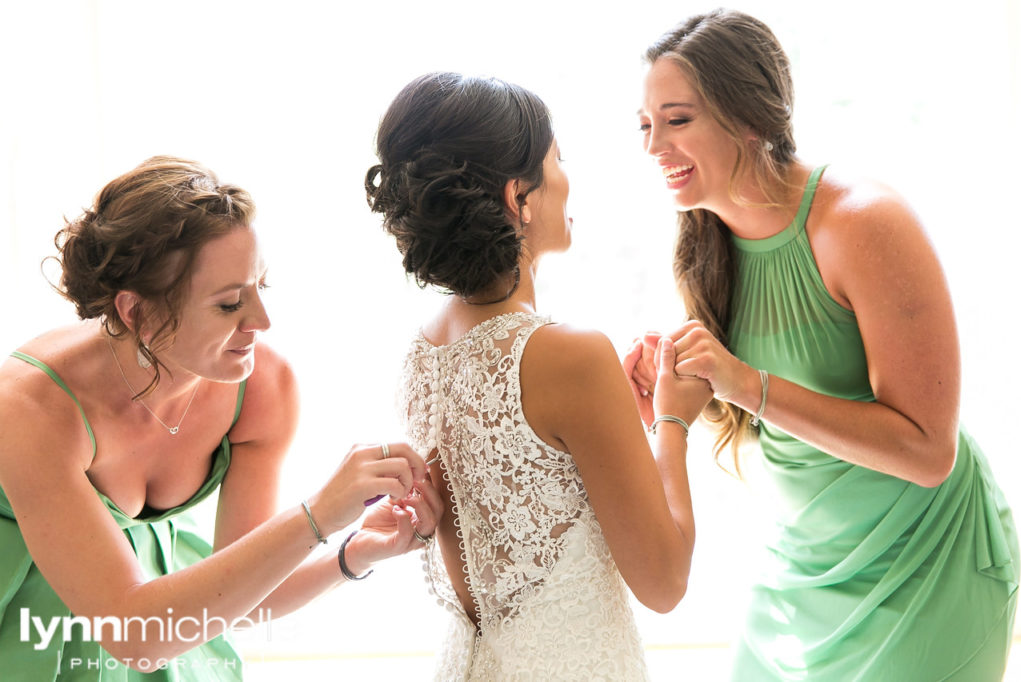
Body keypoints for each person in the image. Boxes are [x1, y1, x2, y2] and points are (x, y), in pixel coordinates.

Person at [626, 9, 1019, 680]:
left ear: (748, 114)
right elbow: (775, 423)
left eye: (677, 120)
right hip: (798, 574)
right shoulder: (706, 244)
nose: (653, 146)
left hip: (925, 571)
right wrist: (685, 392)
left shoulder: (864, 223)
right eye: (644, 125)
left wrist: (744, 382)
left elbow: (928, 451)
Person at [0, 156, 442, 680]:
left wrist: (354, 554)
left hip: (169, 632)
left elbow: (243, 599)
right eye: (230, 303)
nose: (262, 321)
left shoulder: (259, 388)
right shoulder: (29, 410)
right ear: (133, 311)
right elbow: (135, 637)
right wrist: (321, 511)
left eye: (261, 285)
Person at [365, 72, 711, 681]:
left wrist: (617, 422)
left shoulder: (421, 355)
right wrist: (675, 418)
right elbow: (664, 582)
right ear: (517, 197)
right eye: (558, 159)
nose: (569, 178)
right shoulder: (569, 358)